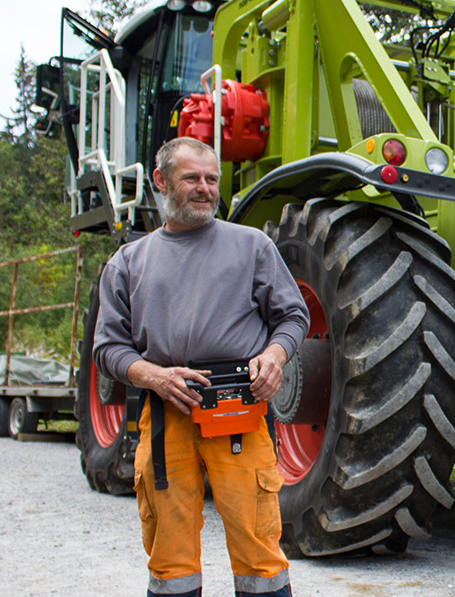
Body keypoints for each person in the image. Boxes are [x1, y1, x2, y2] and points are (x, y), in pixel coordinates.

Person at [93, 137, 309, 597]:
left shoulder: (252, 246)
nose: (205, 188)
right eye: (192, 178)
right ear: (161, 181)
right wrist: (153, 375)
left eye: (212, 179)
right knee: (169, 557)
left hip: (239, 410)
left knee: (258, 551)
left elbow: (293, 316)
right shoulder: (127, 262)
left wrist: (274, 356)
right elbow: (108, 348)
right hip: (165, 415)